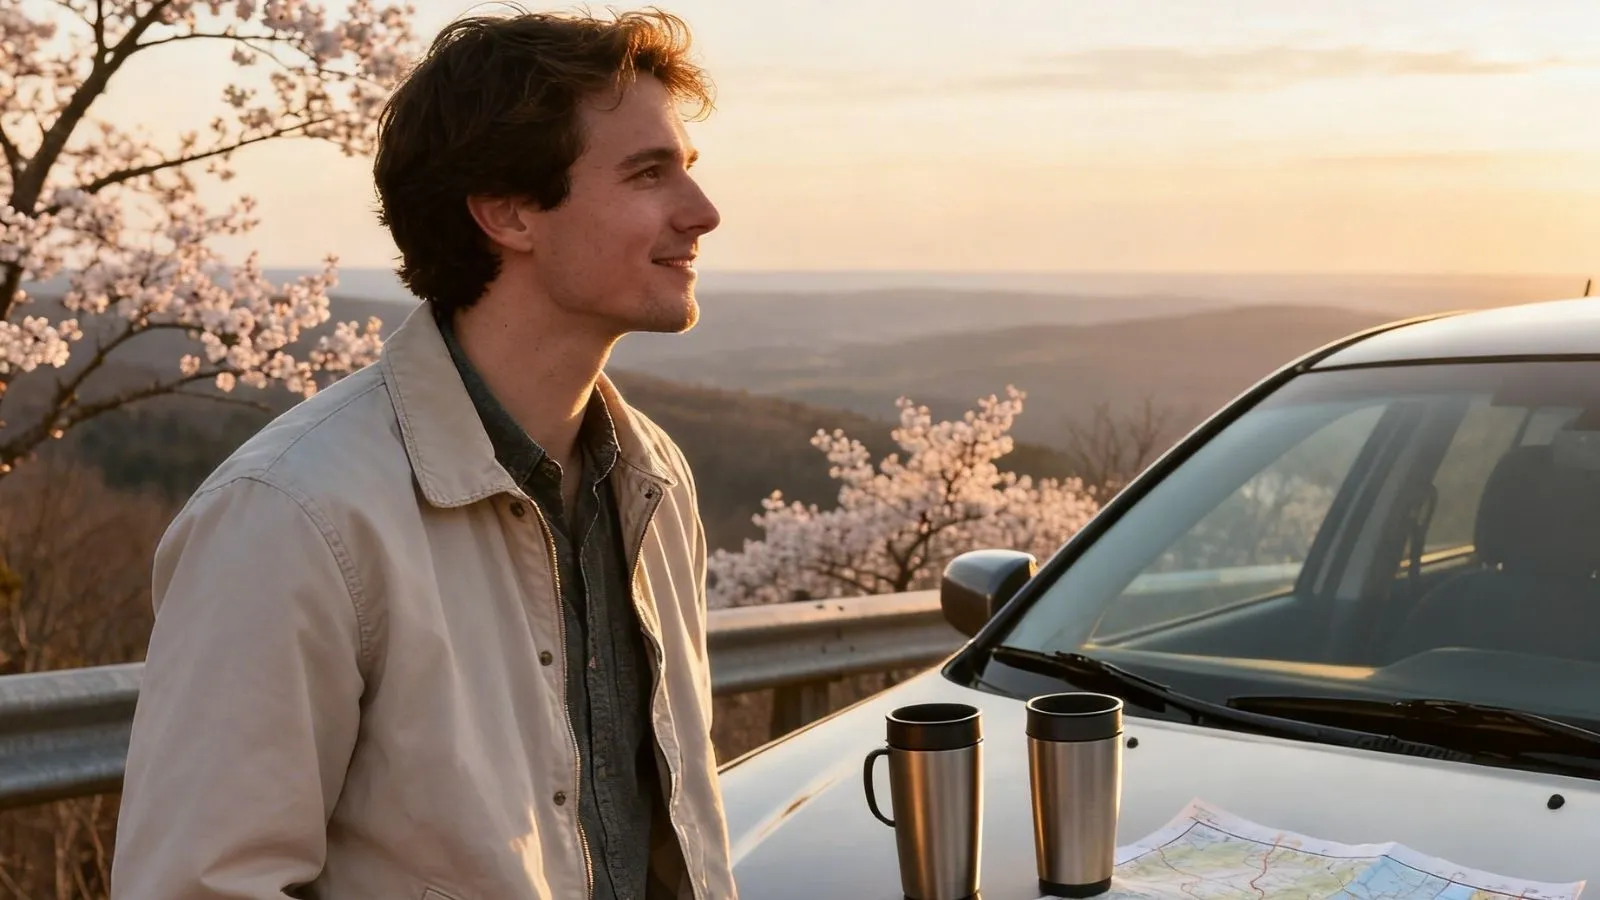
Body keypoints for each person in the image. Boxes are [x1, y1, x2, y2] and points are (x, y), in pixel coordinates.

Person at [110, 8, 734, 900]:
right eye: (648, 173)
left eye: (687, 169)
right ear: (507, 211)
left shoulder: (651, 478)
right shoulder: (293, 516)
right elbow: (199, 886)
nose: (701, 212)